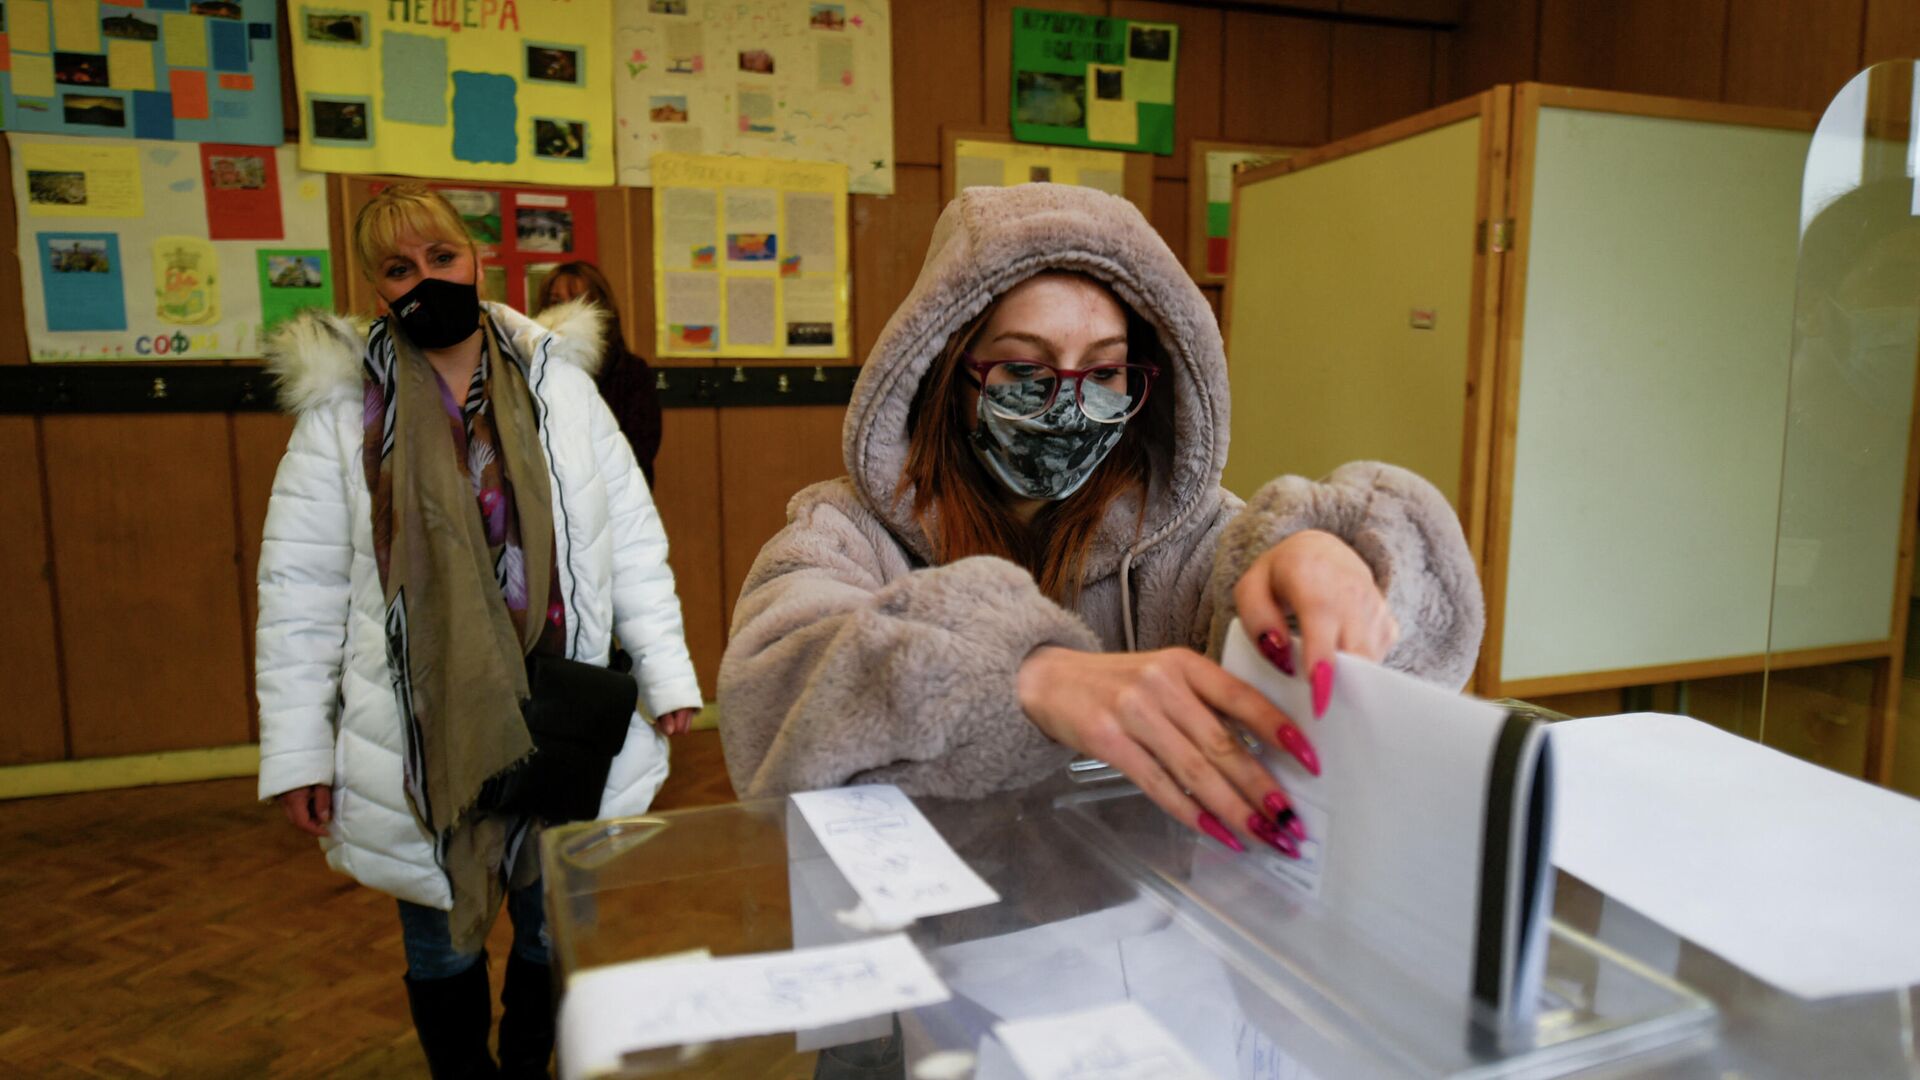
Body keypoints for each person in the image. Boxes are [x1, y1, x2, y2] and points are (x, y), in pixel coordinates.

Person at [718, 183, 1483, 855]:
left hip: (1140, 946)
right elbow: (774, 689)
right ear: (949, 375)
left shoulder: (1190, 534)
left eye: (1106, 369)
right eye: (1024, 367)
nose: (1070, 403)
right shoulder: (845, 530)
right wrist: (1024, 674)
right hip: (926, 954)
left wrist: (1336, 565)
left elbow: (1353, 650)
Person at [254, 184, 702, 1079]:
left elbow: (633, 542)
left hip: (560, 700)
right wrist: (297, 750)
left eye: (442, 258)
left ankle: (530, 1062)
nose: (426, 279)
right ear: (375, 288)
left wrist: (668, 673)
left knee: (552, 918)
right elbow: (298, 591)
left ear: (477, 260)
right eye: (399, 268)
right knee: (439, 939)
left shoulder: (560, 385)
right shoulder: (344, 413)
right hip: (422, 725)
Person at [535, 261, 664, 487]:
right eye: (555, 302)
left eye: (577, 300)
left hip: (616, 501)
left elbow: (639, 450)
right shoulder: (533, 369)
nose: (565, 312)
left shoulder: (631, 373)